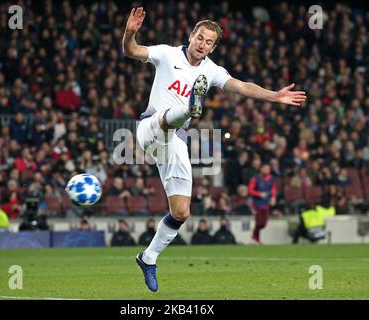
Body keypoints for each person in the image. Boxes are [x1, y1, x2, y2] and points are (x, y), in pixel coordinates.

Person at [124, 7, 306, 292]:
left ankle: (148, 258)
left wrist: (274, 96)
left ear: (214, 46)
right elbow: (132, 51)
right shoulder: (167, 54)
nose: (202, 44)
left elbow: (242, 87)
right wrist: (130, 33)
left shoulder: (212, 70)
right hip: (150, 128)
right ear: (191, 35)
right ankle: (189, 108)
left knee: (182, 212)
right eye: (199, 37)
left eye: (209, 42)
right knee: (169, 117)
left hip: (175, 142)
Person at [248, 163, 277, 245]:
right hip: (256, 203)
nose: (267, 170)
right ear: (261, 169)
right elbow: (250, 190)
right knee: (259, 222)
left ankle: (254, 235)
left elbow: (273, 189)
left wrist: (273, 197)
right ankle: (256, 238)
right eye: (265, 168)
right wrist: (259, 194)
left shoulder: (271, 179)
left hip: (266, 203)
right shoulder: (255, 179)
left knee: (264, 224)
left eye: (268, 169)